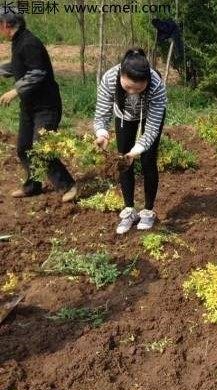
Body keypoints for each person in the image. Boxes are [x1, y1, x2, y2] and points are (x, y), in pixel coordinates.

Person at [0, 7, 77, 201]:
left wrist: (15, 90)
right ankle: (33, 186)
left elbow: (37, 72)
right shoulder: (18, 41)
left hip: (46, 107)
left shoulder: (29, 42)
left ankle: (68, 185)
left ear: (7, 25)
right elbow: (20, 66)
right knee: (24, 147)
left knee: (42, 147)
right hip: (30, 107)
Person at [94, 48, 167, 234]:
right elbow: (101, 114)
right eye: (128, 88)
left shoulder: (156, 84)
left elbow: (151, 129)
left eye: (139, 88)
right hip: (124, 116)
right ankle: (129, 210)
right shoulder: (110, 78)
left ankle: (148, 211)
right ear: (120, 75)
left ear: (147, 82)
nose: (133, 92)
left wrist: (137, 150)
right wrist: (101, 133)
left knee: (148, 160)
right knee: (123, 161)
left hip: (149, 117)